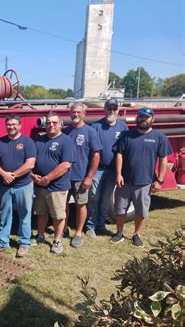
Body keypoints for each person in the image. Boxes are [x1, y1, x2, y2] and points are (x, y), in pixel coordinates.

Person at [111, 108, 172, 247]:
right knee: (120, 209)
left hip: (144, 182)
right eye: (141, 117)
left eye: (146, 117)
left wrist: (160, 180)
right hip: (124, 181)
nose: (143, 119)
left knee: (141, 211)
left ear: (152, 119)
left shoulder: (159, 137)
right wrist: (119, 174)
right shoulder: (127, 135)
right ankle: (119, 233)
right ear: (137, 118)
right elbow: (119, 154)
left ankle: (136, 234)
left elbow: (163, 159)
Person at [0, 114, 37, 258]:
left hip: (23, 185)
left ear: (20, 125)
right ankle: (2, 241)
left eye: (14, 124)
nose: (11, 127)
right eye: (9, 124)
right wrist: (4, 174)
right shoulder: (0, 142)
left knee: (25, 214)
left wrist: (13, 175)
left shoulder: (27, 142)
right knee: (4, 214)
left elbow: (30, 164)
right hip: (4, 186)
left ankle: (24, 242)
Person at [31, 112, 75, 254]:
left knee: (58, 215)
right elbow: (31, 160)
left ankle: (57, 240)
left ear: (60, 124)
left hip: (57, 186)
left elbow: (66, 164)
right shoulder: (39, 140)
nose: (51, 125)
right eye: (48, 122)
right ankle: (40, 235)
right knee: (41, 212)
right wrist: (33, 176)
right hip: (39, 185)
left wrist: (47, 178)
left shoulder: (66, 141)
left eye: (54, 122)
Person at [85, 98, 128, 236]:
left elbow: (126, 148)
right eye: (109, 108)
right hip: (98, 169)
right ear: (104, 109)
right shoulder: (95, 126)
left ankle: (101, 225)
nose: (112, 111)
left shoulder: (123, 127)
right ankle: (90, 226)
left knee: (105, 199)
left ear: (118, 110)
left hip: (113, 170)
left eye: (114, 108)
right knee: (94, 198)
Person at [63, 103, 102, 247]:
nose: (75, 114)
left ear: (84, 114)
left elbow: (96, 155)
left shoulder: (90, 132)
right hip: (64, 176)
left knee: (81, 204)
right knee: (63, 205)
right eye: (73, 112)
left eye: (79, 112)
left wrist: (89, 177)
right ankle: (64, 229)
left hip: (81, 177)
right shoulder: (65, 131)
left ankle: (78, 233)